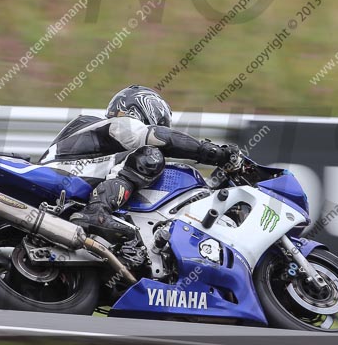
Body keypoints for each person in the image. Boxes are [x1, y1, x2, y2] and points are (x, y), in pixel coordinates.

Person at [39, 85, 240, 241]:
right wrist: (213, 153)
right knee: (151, 156)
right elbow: (159, 138)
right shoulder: (116, 126)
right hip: (60, 177)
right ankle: (97, 211)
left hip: (61, 192)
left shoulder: (100, 139)